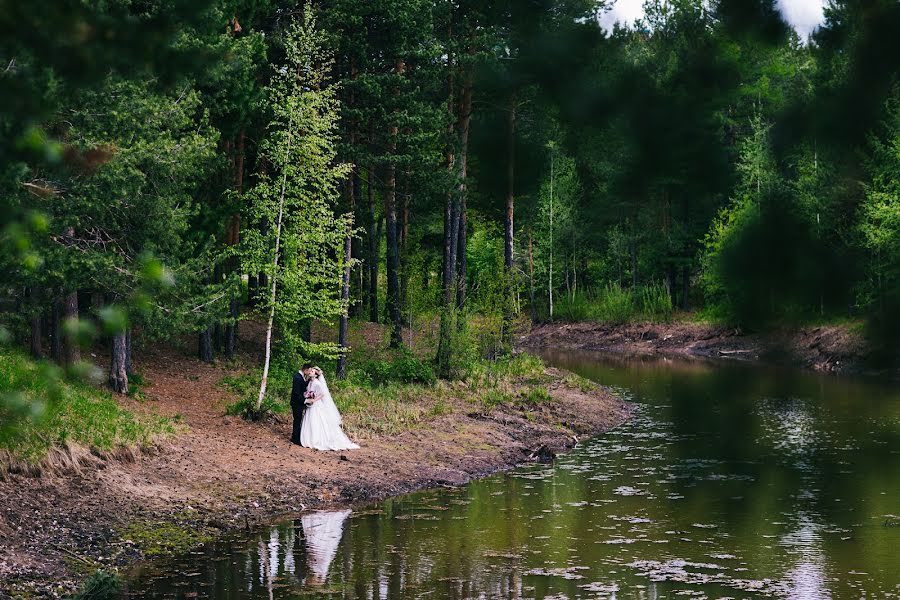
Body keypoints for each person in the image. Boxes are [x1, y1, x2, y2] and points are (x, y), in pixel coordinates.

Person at [299, 366, 360, 451]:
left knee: (316, 421)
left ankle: (317, 440)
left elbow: (322, 394)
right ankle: (309, 438)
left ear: (316, 375)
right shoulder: (309, 382)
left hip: (316, 405)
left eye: (312, 371)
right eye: (310, 371)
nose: (310, 372)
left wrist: (313, 400)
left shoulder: (317, 383)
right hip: (310, 405)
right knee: (310, 420)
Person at [290, 362, 314, 445]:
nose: (309, 373)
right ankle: (295, 438)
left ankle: (297, 436)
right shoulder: (297, 377)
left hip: (299, 402)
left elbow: (303, 386)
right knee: (297, 419)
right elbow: (296, 393)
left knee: (299, 419)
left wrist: (310, 380)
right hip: (296, 402)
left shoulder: (302, 377)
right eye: (309, 371)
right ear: (305, 370)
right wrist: (305, 401)